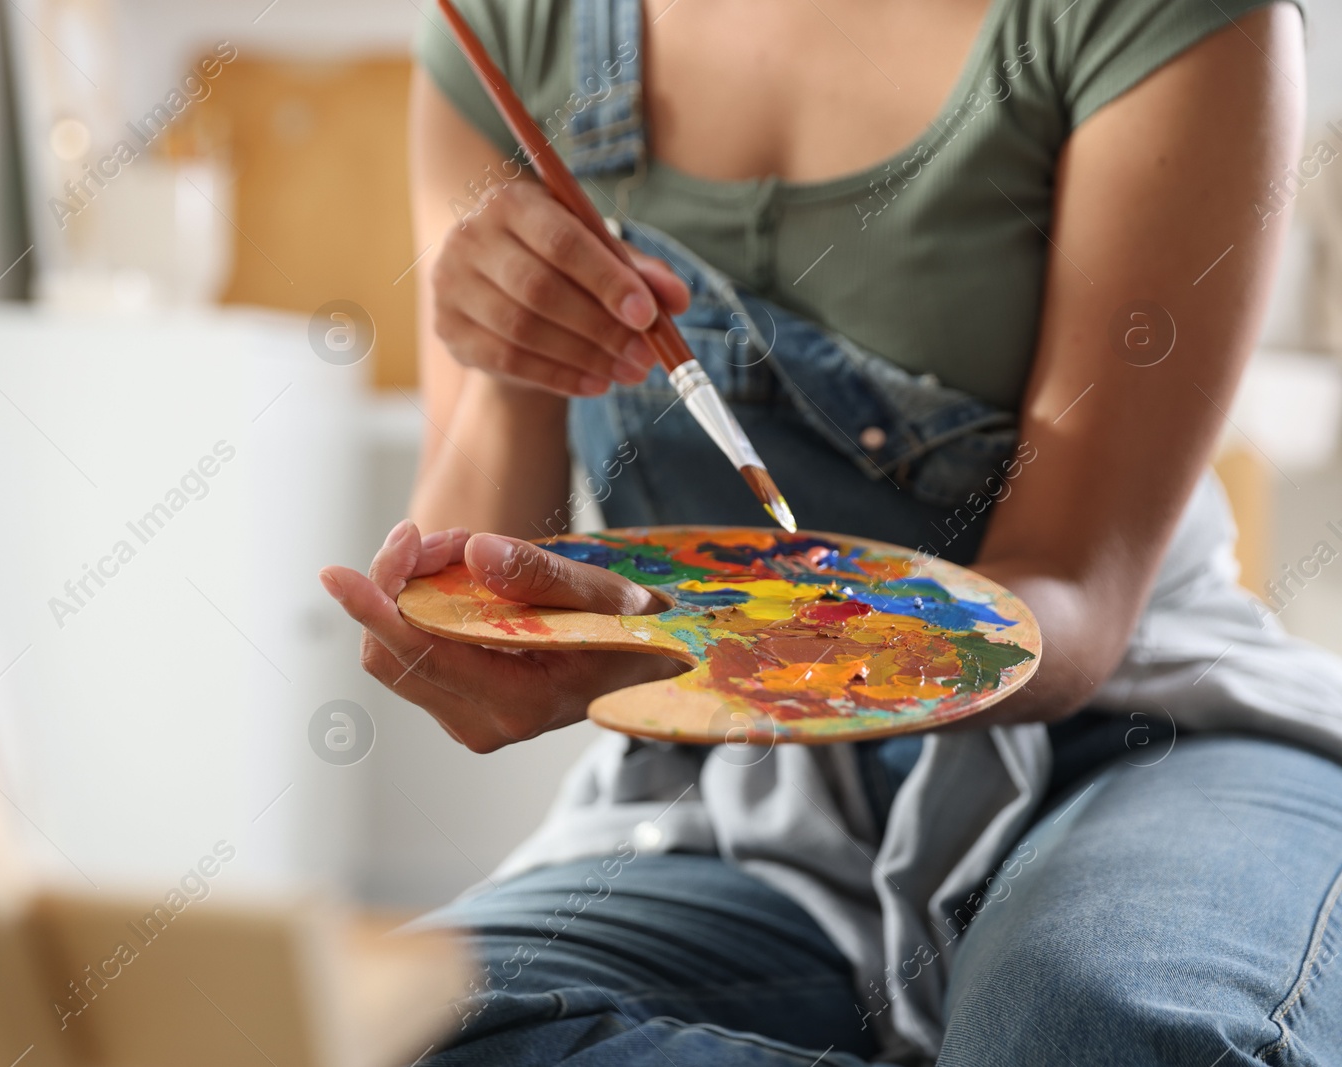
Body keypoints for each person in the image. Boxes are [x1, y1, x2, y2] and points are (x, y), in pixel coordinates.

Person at [319, 0, 1342, 1062]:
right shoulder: (506, 28)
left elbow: (1074, 594)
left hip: (1136, 739)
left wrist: (696, 646)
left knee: (1100, 1028)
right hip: (761, 811)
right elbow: (477, 567)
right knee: (404, 1031)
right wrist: (507, 370)